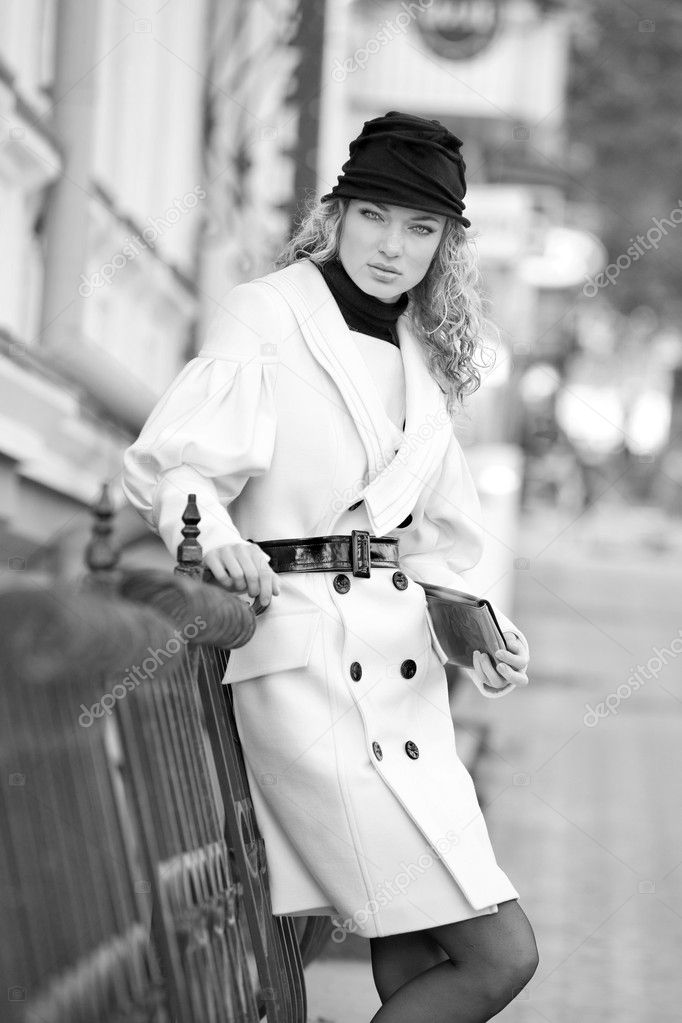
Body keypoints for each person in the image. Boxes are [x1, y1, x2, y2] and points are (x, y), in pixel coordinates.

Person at [122, 110, 538, 1022]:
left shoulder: (424, 351)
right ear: (338, 213)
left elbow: (435, 534)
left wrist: (474, 624)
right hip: (306, 677)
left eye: (421, 228)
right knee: (500, 953)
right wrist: (213, 536)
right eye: (377, 216)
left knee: (417, 951)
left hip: (402, 687)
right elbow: (178, 464)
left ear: (446, 245)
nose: (393, 247)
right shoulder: (268, 312)